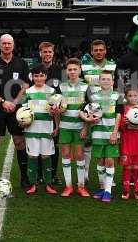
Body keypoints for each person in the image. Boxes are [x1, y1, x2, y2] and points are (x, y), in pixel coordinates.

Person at [0, 34, 30, 190]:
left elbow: (26, 85)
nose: (7, 46)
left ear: (13, 45)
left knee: (19, 142)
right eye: (4, 43)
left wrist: (14, 102)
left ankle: (24, 178)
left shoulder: (21, 63)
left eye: (9, 43)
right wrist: (2, 101)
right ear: (0, 45)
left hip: (17, 109)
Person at [80, 70, 122, 202]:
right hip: (97, 133)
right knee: (100, 161)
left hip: (111, 134)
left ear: (113, 81)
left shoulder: (117, 96)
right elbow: (86, 113)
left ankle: (108, 191)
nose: (106, 81)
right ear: (99, 81)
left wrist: (115, 132)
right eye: (103, 79)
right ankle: (103, 188)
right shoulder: (93, 97)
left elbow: (119, 115)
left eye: (108, 79)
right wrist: (86, 127)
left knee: (109, 160)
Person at [81, 39, 116, 183]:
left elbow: (117, 85)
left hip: (108, 110)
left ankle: (109, 178)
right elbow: (82, 87)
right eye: (95, 50)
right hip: (91, 107)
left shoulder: (113, 66)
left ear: (105, 50)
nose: (99, 52)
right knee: (87, 141)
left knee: (109, 141)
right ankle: (85, 173)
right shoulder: (85, 67)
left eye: (101, 49)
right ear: (91, 52)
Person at [21, 64, 59, 195]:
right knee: (32, 156)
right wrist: (22, 122)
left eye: (41, 75)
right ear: (32, 77)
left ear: (46, 76)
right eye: (36, 76)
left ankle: (48, 184)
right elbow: (22, 111)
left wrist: (57, 127)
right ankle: (33, 184)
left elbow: (55, 112)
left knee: (46, 156)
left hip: (46, 130)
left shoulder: (52, 92)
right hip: (31, 130)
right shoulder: (27, 92)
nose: (39, 78)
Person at [32, 41, 63, 185]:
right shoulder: (35, 69)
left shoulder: (59, 70)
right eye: (45, 52)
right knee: (38, 143)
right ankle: (38, 174)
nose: (47, 54)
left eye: (50, 52)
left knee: (53, 144)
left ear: (53, 53)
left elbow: (62, 92)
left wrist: (59, 107)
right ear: (40, 53)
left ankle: (53, 174)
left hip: (54, 114)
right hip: (38, 113)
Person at [58, 58, 90, 197]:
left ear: (80, 70)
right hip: (64, 126)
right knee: (65, 155)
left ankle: (81, 186)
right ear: (66, 71)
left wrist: (85, 127)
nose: (72, 72)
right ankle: (68, 186)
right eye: (70, 69)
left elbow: (89, 109)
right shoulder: (61, 87)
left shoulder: (86, 87)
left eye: (75, 69)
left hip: (79, 127)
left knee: (79, 155)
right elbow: (56, 107)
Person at [118, 85, 138, 200]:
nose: (132, 98)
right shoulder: (123, 109)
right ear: (126, 97)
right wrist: (125, 122)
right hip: (126, 142)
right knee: (127, 167)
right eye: (130, 96)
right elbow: (120, 127)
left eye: (135, 95)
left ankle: (137, 190)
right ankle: (126, 190)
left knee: (136, 167)